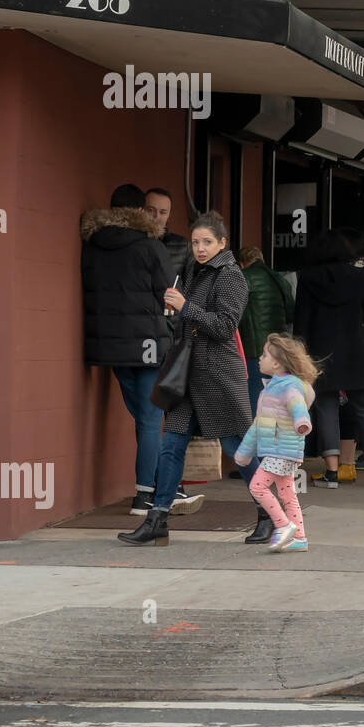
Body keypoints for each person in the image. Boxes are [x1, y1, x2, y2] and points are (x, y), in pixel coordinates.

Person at [118, 212, 254, 547]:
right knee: (171, 445)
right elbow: (187, 319)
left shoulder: (230, 276)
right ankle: (158, 518)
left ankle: (270, 515)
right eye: (195, 242)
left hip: (219, 375)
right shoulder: (193, 270)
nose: (200, 248)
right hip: (189, 374)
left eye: (207, 242)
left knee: (237, 449)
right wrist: (174, 313)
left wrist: (186, 307)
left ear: (222, 243)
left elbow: (224, 326)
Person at [81, 183, 193, 516]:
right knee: (150, 420)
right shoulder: (149, 247)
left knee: (144, 418)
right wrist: (173, 329)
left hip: (111, 346)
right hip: (148, 343)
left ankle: (164, 486)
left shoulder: (93, 245)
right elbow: (172, 294)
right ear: (140, 212)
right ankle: (146, 496)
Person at [294, 229, 364, 489]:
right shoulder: (359, 277)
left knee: (326, 409)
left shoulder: (307, 278)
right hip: (355, 351)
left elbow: (302, 322)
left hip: (321, 352)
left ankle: (332, 472)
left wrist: (301, 354)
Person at [234, 333, 316, 552]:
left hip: (281, 450)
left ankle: (283, 525)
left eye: (264, 355)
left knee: (257, 487)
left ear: (277, 363)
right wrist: (245, 452)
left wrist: (302, 422)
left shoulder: (286, 386)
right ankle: (299, 537)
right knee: (287, 494)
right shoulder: (272, 387)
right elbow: (259, 425)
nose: (259, 358)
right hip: (283, 450)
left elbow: (297, 405)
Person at [236, 246, 294, 415]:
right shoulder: (279, 279)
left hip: (253, 350)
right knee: (275, 402)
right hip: (279, 351)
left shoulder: (243, 277)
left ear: (242, 264)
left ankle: (258, 439)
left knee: (255, 402)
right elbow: (290, 313)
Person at [144, 187, 191, 280]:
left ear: (169, 215)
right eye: (150, 210)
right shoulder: (130, 241)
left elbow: (191, 287)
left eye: (163, 212)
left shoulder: (183, 246)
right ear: (141, 210)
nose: (156, 217)